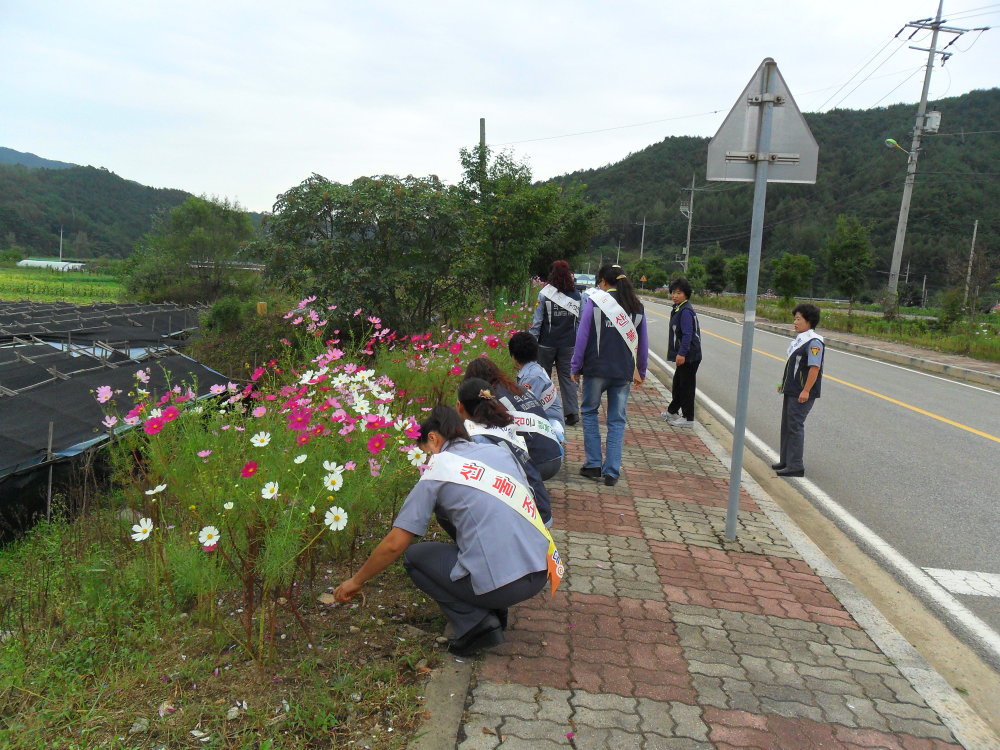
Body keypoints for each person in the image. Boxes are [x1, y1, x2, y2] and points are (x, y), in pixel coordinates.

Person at [333, 405, 560, 656]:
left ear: (433, 437)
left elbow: (394, 544)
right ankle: (495, 607)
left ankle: (476, 624)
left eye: (426, 453)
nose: (428, 459)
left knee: (414, 558)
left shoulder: (439, 469)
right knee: (449, 514)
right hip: (541, 569)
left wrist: (356, 581)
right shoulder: (496, 452)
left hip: (505, 586)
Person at [570, 263, 648, 486]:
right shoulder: (637, 307)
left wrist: (575, 367)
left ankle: (594, 463)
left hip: (596, 369)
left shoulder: (595, 303)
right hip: (623, 371)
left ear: (603, 282)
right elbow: (643, 345)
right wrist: (640, 371)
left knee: (589, 412)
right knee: (617, 419)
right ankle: (612, 471)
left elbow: (582, 337)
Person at [456, 377, 553, 527]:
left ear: (459, 406)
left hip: (528, 522)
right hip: (541, 510)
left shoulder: (476, 440)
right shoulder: (503, 424)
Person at [464, 357, 563, 482]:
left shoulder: (491, 398)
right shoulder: (519, 389)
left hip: (536, 466)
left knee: (480, 436)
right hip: (555, 458)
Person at [773, 303, 825, 478]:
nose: (795, 322)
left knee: (795, 426)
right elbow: (792, 365)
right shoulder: (800, 340)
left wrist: (806, 390)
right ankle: (786, 460)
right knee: (786, 425)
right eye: (794, 318)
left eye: (798, 319)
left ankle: (796, 465)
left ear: (809, 322)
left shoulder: (814, 342)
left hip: (802, 392)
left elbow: (814, 368)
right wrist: (783, 383)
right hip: (792, 389)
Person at [529, 260, 582, 425]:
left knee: (543, 377)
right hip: (569, 344)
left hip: (546, 343)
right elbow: (579, 323)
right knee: (568, 378)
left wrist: (532, 342)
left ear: (551, 274)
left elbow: (537, 323)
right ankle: (572, 413)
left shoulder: (544, 294)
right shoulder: (577, 295)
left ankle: (541, 411)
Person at [661, 277, 702, 428]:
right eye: (673, 292)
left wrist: (682, 353)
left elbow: (687, 335)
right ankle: (672, 411)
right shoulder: (679, 308)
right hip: (686, 355)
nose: (675, 296)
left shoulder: (685, 311)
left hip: (690, 356)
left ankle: (688, 418)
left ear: (686, 294)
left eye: (679, 293)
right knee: (678, 384)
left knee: (686, 386)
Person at [508, 331, 566, 438]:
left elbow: (524, 408)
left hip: (551, 429)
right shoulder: (534, 370)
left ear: (514, 357)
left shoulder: (532, 377)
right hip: (547, 422)